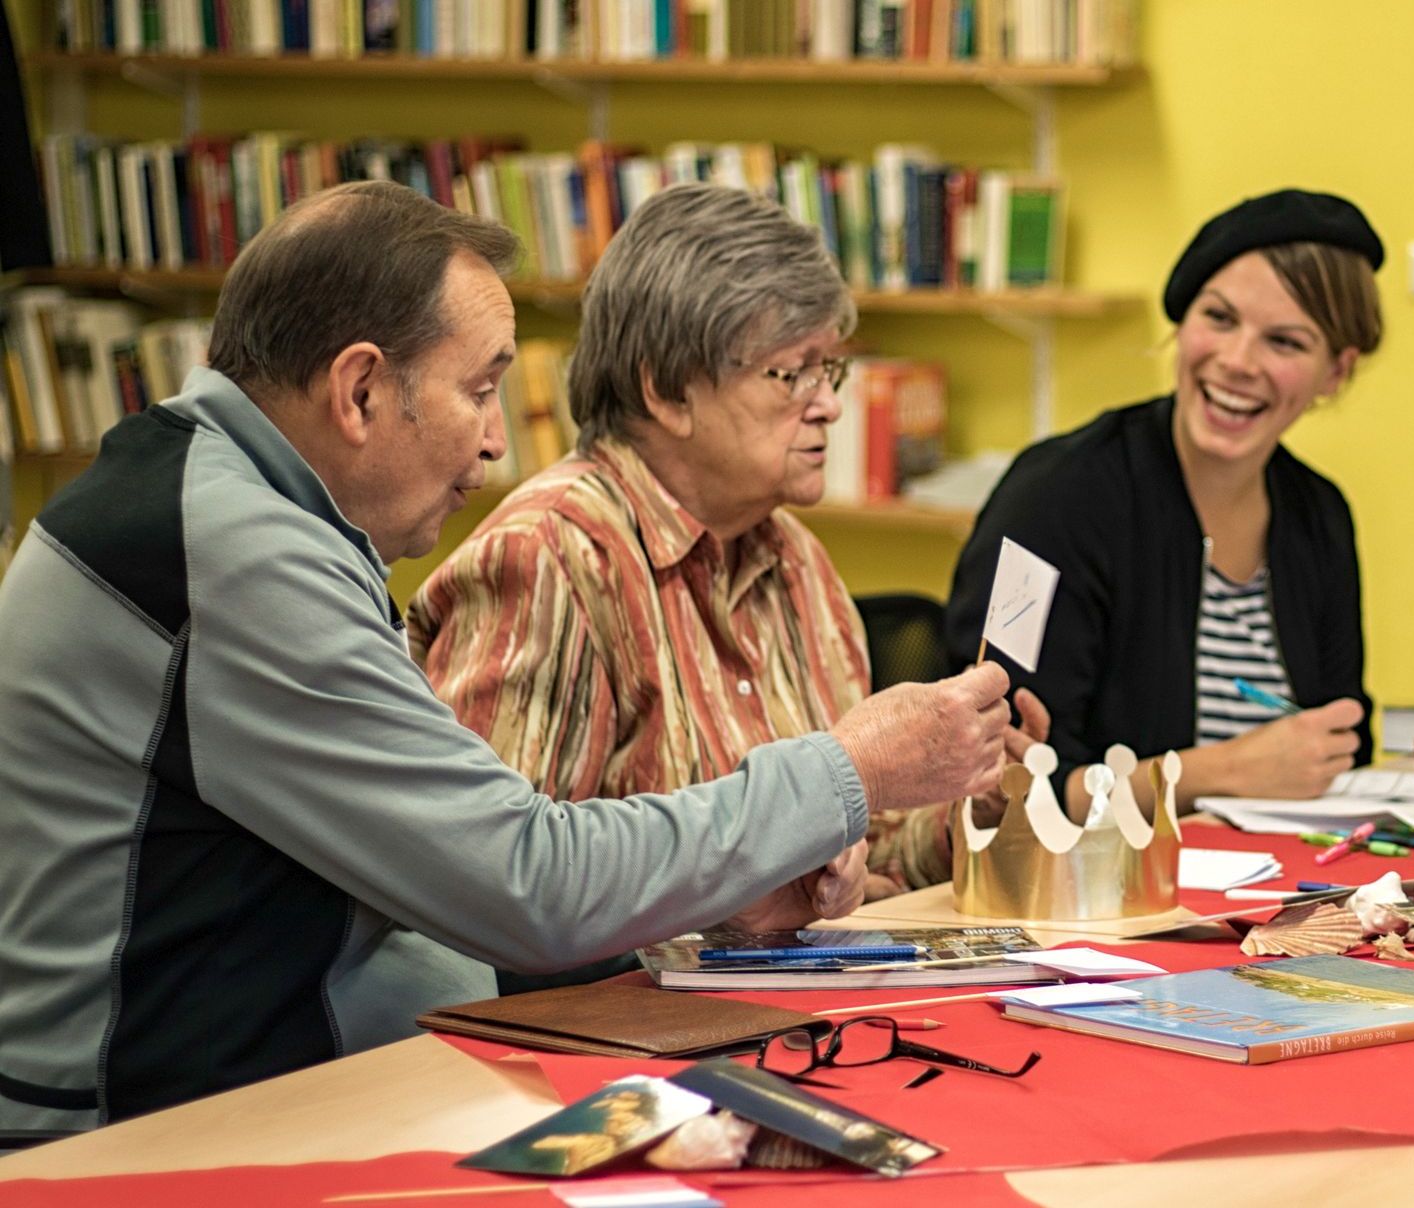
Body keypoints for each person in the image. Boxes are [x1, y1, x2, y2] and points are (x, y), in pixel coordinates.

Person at [0, 181, 1011, 1132]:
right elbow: (525, 885)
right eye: (479, 390)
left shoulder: (227, 504)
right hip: (143, 1131)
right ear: (358, 390)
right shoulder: (234, 550)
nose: (495, 443)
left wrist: (733, 888)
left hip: (272, 1082)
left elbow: (470, 887)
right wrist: (848, 769)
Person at [411, 184, 1038, 903]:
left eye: (828, 370)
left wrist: (971, 809)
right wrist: (754, 903)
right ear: (669, 392)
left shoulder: (795, 557)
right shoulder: (551, 558)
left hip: (788, 1003)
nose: (831, 403)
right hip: (623, 1014)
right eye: (792, 373)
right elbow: (500, 891)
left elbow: (872, 850)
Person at [942, 189, 1380, 806]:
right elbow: (1005, 784)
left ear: (1335, 372)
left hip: (1283, 883)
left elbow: (1343, 743)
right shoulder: (1058, 498)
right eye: (1219, 319)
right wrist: (1217, 772)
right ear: (1182, 320)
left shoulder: (1318, 514)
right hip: (1092, 891)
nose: (1236, 361)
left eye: (1285, 342)